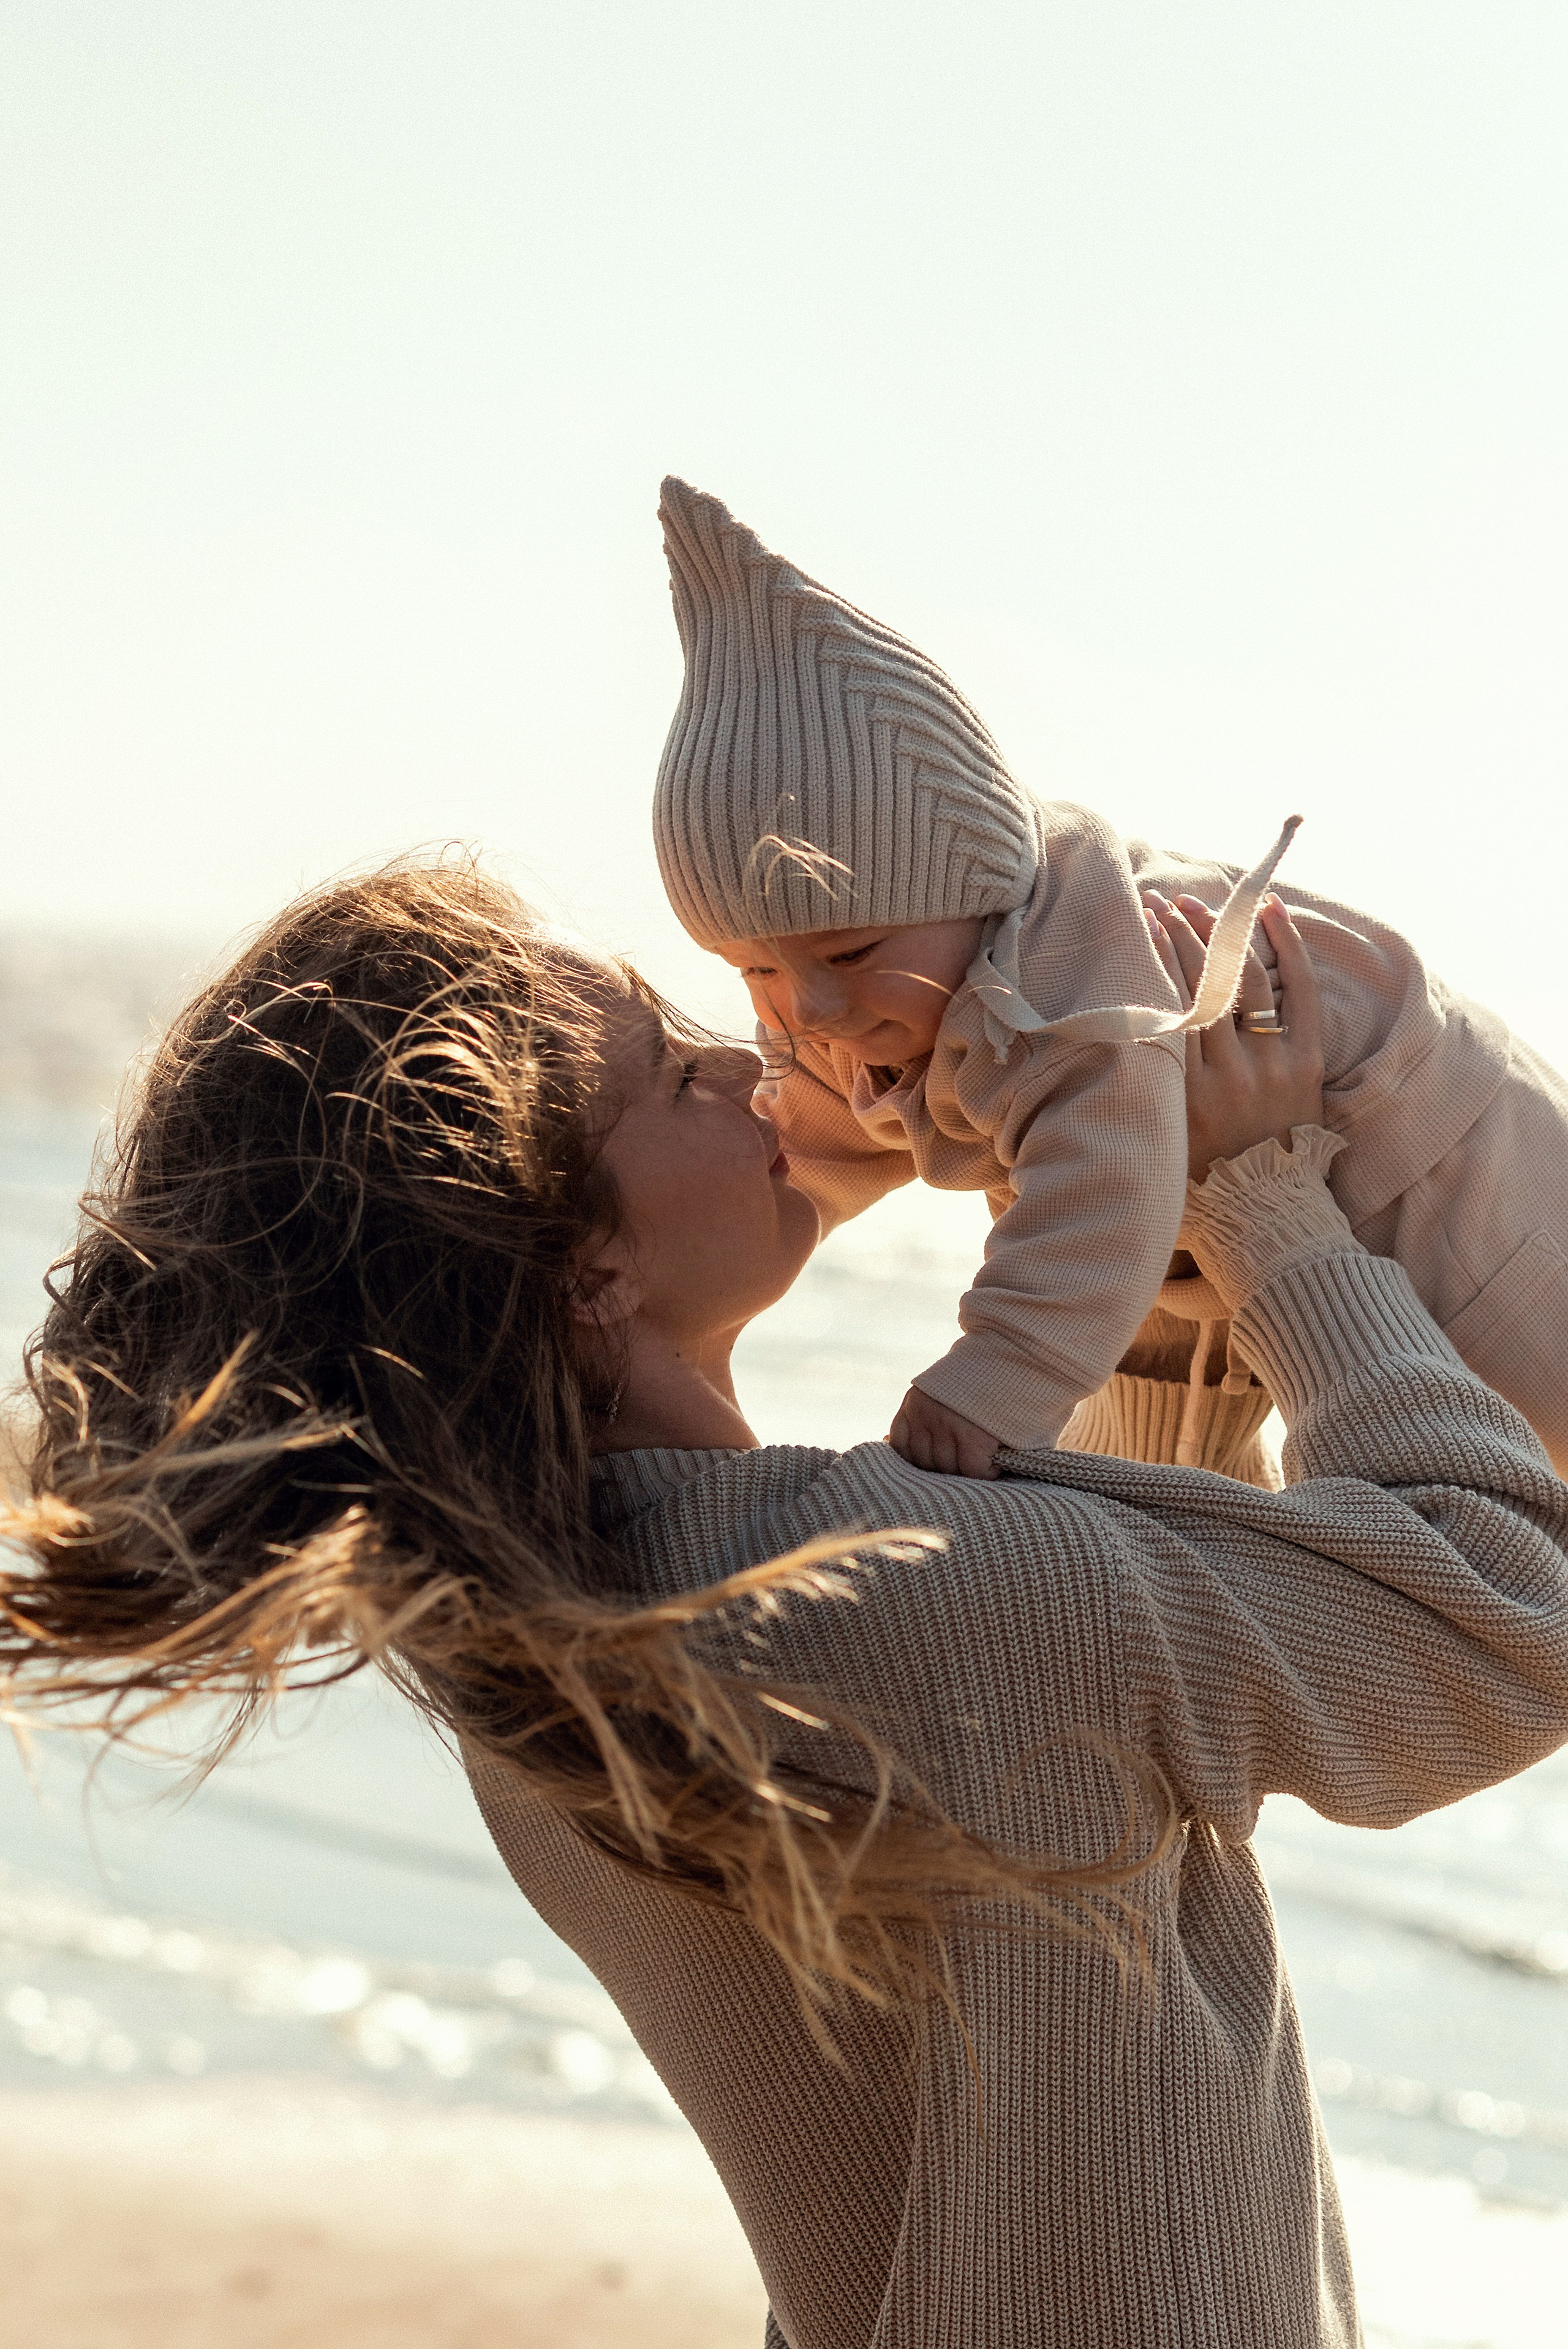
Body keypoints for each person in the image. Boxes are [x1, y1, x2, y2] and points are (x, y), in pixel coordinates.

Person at [6, 858, 1568, 2349]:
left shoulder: (545, 1630)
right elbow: (1502, 1619)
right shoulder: (892, 1593)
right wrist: (1263, 1199)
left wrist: (1148, 1301)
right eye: (673, 1073)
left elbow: (1108, 1727)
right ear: (578, 1275)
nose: (752, 1061)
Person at [652, 476, 1568, 1478]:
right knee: (1278, 1476)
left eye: (849, 954)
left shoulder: (1073, 980)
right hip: (1259, 1234)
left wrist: (994, 1379)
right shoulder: (879, 1007)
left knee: (1544, 1430)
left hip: (1460, 1187)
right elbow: (809, 1156)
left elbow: (1103, 1198)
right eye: (752, 970)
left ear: (981, 886)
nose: (808, 1009)